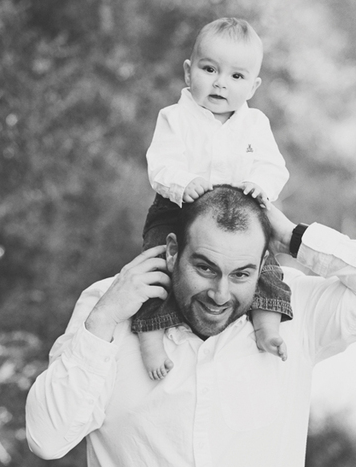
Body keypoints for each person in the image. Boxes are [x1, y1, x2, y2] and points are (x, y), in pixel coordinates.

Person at [25, 185, 356, 467]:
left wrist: (295, 238)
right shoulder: (108, 306)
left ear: (263, 266)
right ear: (172, 251)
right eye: (205, 268)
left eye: (242, 274)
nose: (221, 294)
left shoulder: (297, 311)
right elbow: (48, 438)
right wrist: (100, 322)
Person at [134, 17, 292, 380]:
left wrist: (260, 185)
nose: (221, 82)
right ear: (189, 73)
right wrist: (182, 183)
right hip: (177, 208)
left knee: (264, 265)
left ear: (252, 86)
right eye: (210, 69)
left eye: (236, 76)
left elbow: (273, 166)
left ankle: (268, 326)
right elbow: (160, 164)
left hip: (238, 216)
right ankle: (150, 332)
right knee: (156, 263)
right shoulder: (175, 118)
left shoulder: (255, 125)